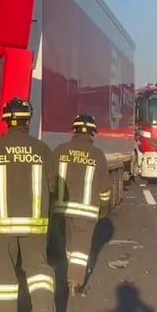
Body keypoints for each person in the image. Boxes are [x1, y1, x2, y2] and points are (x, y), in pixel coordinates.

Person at [0, 98, 57, 312]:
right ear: (27, 121)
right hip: (35, 224)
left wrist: (0, 195)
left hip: (3, 224)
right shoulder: (42, 149)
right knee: (39, 270)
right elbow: (51, 185)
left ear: (6, 121)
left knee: (6, 274)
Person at [52, 114, 112, 297]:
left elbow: (50, 179)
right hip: (86, 211)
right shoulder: (97, 155)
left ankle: (70, 272)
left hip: (62, 209)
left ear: (74, 130)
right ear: (93, 132)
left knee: (70, 245)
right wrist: (104, 207)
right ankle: (75, 282)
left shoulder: (60, 150)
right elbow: (105, 188)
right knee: (81, 248)